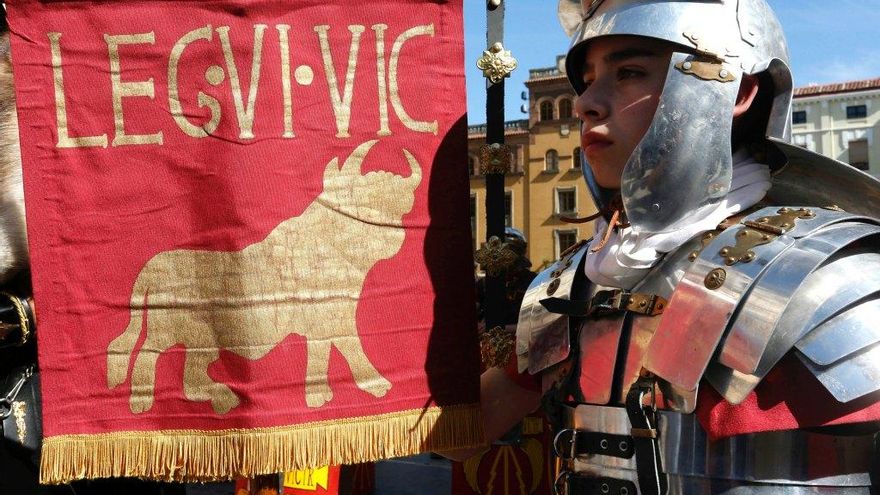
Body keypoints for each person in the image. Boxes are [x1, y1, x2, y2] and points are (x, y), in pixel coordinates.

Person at [453, 1, 880, 493]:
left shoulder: (826, 273)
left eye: (629, 72)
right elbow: (459, 436)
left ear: (735, 88)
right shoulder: (576, 279)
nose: (585, 103)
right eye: (586, 79)